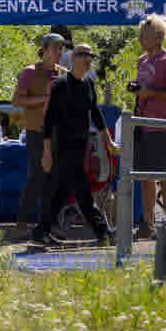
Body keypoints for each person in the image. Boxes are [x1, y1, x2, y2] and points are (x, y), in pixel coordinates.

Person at [33, 44, 113, 248]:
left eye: (90, 57)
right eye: (85, 56)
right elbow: (49, 120)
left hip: (81, 145)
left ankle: (41, 231)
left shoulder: (88, 84)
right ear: (75, 58)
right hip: (63, 146)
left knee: (60, 193)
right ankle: (102, 231)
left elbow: (96, 113)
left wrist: (108, 141)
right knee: (83, 191)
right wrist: (47, 152)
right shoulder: (60, 85)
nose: (89, 60)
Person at [128, 13, 166, 241]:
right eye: (140, 33)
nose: (141, 37)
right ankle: (148, 224)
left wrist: (151, 93)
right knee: (145, 177)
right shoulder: (142, 61)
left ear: (159, 37)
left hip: (160, 127)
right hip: (141, 124)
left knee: (163, 175)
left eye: (145, 34)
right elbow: (144, 88)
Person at [12, 32, 68, 232]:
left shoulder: (64, 74)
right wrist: (44, 100)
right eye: (55, 48)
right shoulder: (29, 72)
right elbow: (17, 101)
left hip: (57, 133)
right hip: (36, 130)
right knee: (37, 176)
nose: (59, 52)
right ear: (43, 50)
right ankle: (22, 223)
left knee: (54, 178)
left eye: (61, 48)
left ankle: (48, 225)